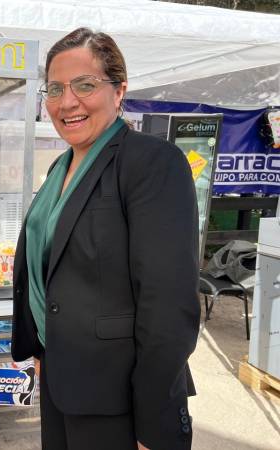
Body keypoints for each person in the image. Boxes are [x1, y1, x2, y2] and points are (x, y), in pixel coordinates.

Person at [11, 28, 200, 450]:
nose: (68, 102)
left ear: (119, 92)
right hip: (63, 381)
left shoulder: (151, 163)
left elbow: (168, 305)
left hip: (121, 401)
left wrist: (153, 422)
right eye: (56, 89)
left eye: (85, 85)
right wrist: (42, 349)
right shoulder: (59, 169)